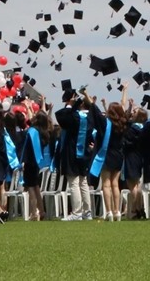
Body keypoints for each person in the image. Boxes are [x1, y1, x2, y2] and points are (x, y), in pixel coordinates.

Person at [54, 88, 97, 221]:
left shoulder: (72, 116)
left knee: (73, 183)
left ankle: (77, 213)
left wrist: (70, 104)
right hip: (84, 153)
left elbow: (60, 116)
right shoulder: (89, 118)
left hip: (71, 152)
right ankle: (87, 212)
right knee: (83, 182)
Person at [91, 90, 129, 221]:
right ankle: (117, 211)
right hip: (118, 155)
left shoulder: (106, 124)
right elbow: (123, 108)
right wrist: (125, 92)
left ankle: (109, 212)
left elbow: (95, 112)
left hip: (106, 155)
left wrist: (89, 99)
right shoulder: (123, 124)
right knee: (115, 184)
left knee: (106, 184)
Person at [23, 109, 54, 221]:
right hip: (36, 162)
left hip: (30, 161)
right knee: (36, 187)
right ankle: (41, 211)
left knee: (31, 187)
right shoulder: (44, 132)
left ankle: (34, 212)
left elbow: (28, 148)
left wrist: (23, 161)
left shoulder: (33, 131)